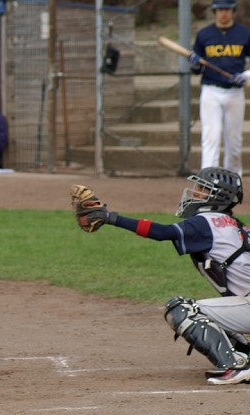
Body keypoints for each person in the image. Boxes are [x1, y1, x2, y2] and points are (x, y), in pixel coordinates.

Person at [75, 167, 250, 385]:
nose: (195, 192)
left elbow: (163, 232)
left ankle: (234, 366)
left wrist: (111, 218)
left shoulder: (207, 222)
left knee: (183, 310)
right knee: (211, 314)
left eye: (203, 189)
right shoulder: (235, 225)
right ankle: (246, 355)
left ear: (218, 196)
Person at [188, 0, 250, 175]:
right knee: (211, 137)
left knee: (234, 141)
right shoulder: (204, 35)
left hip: (235, 92)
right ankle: (208, 181)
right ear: (214, 12)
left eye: (227, 9)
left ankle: (233, 180)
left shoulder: (245, 33)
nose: (224, 13)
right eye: (220, 9)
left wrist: (246, 76)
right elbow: (196, 69)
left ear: (233, 11)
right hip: (211, 91)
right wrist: (194, 64)